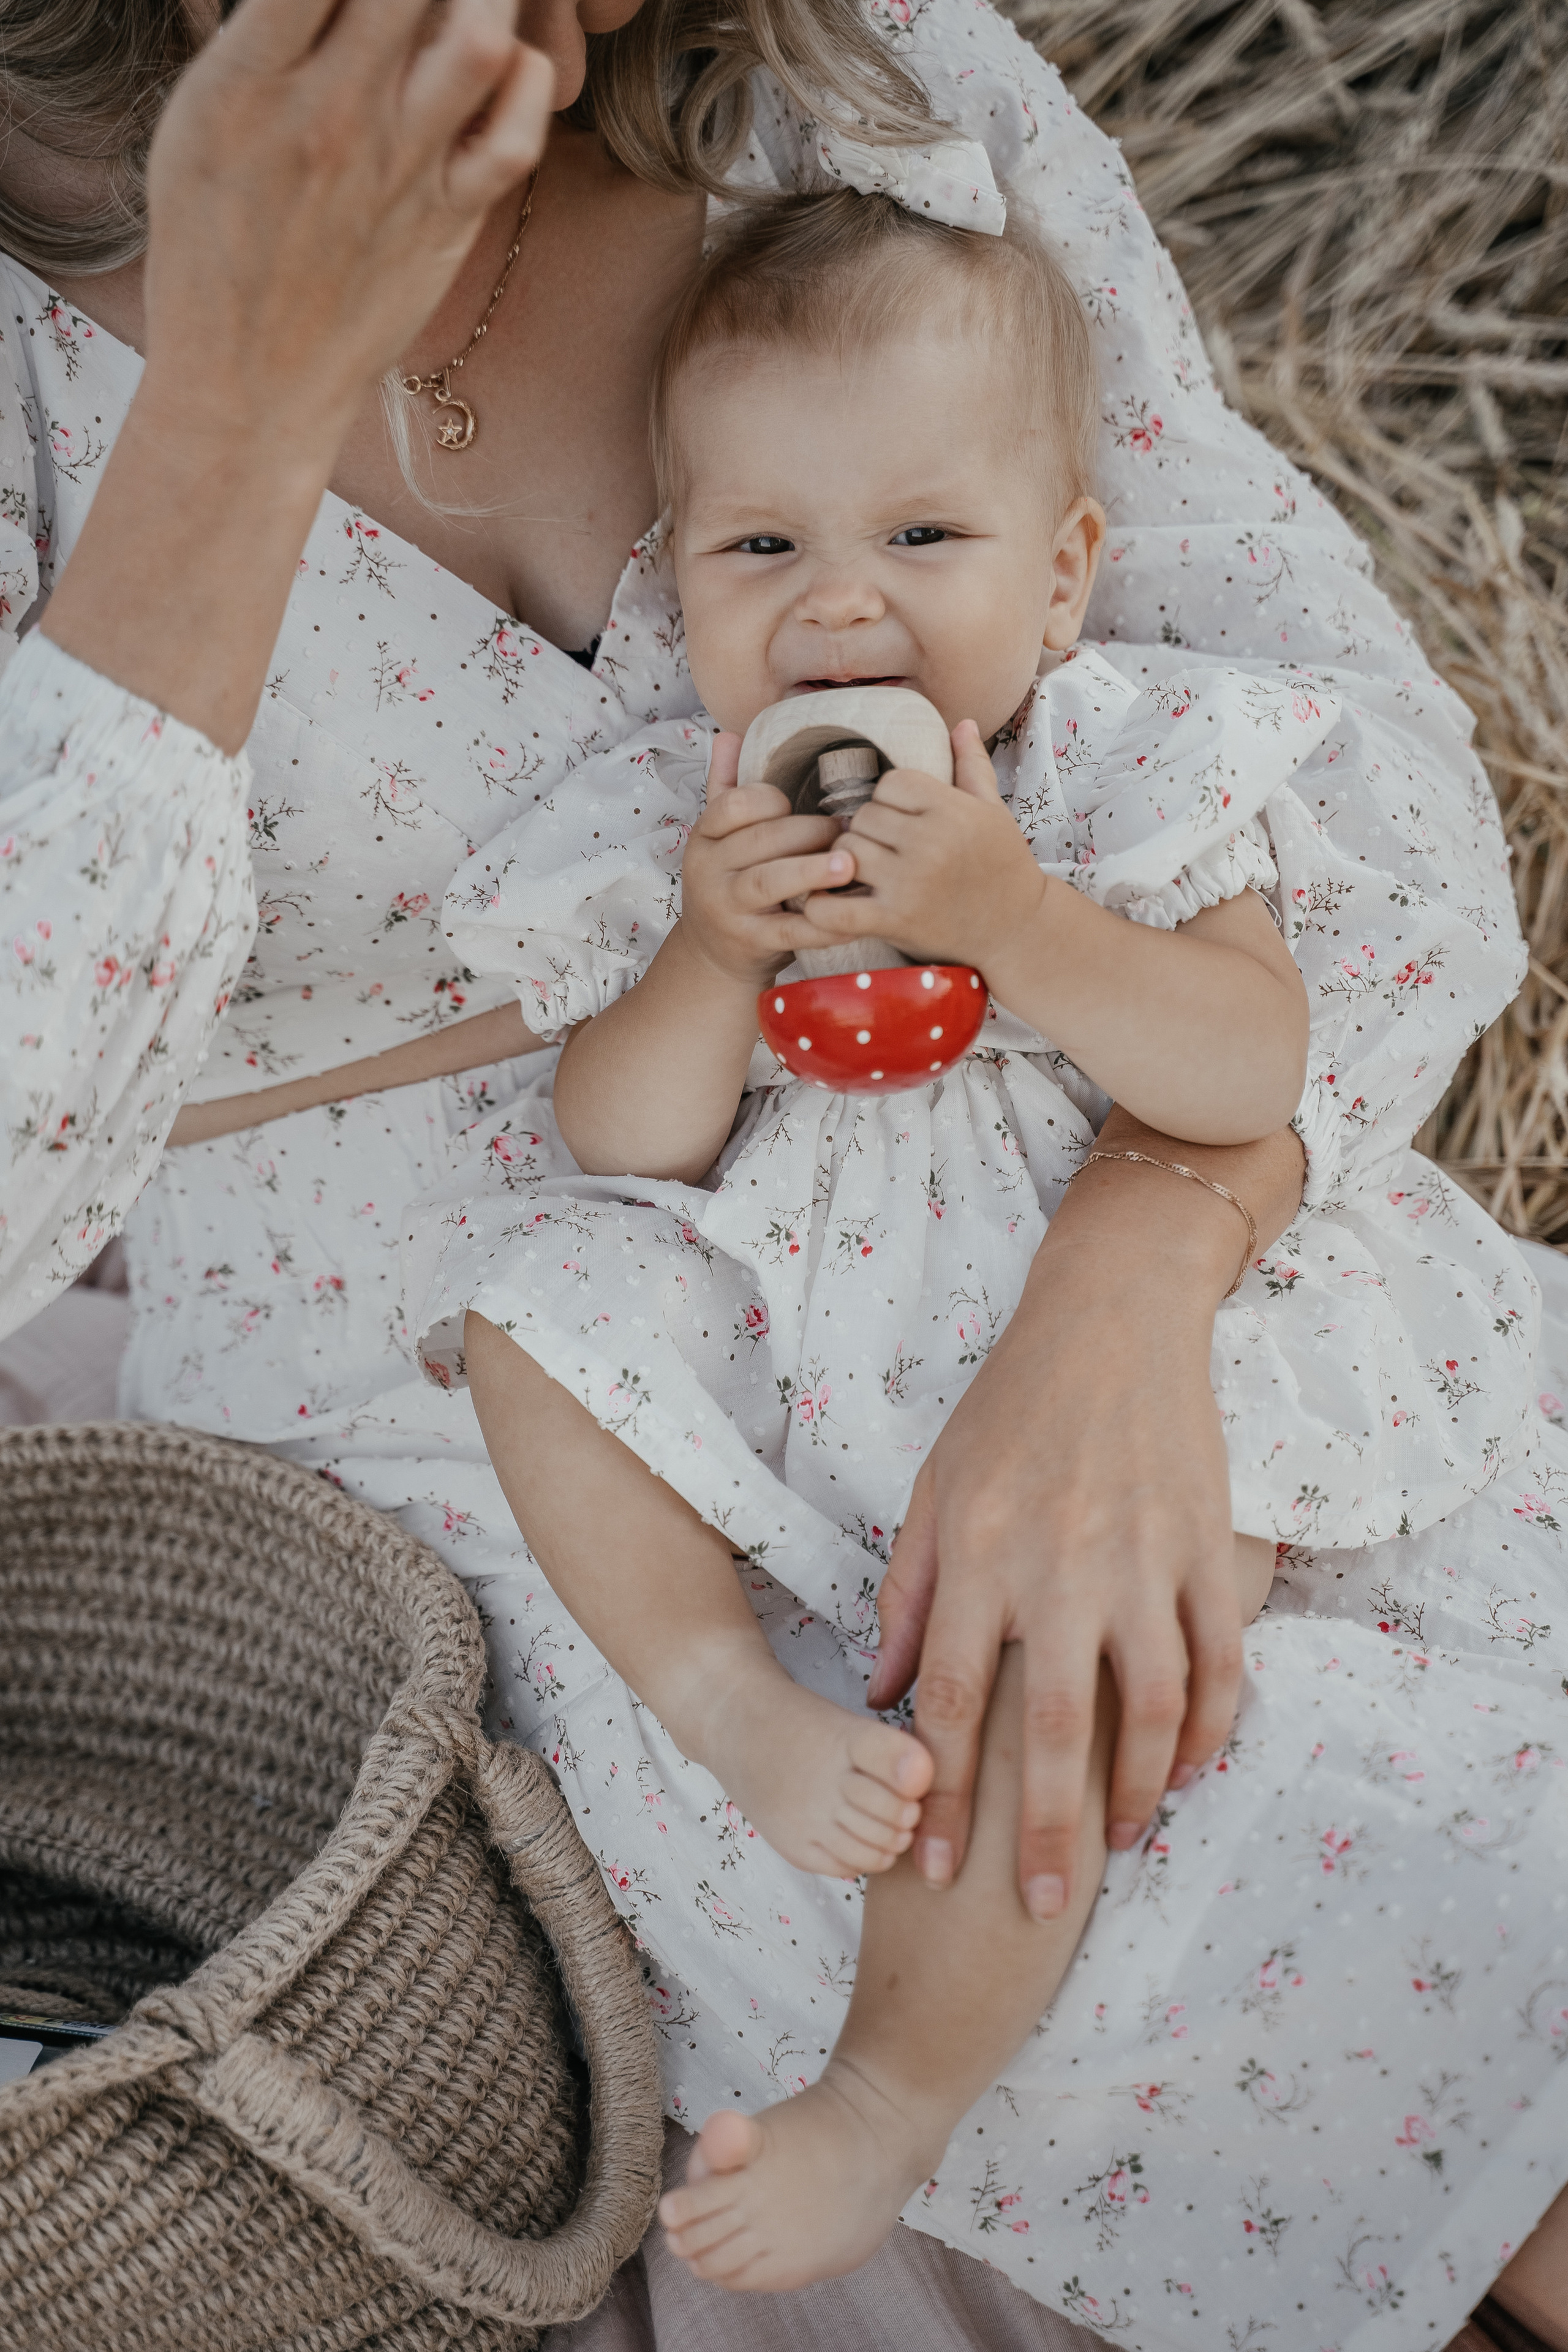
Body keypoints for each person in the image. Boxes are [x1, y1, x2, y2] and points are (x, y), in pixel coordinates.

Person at [0, 3, 1564, 2345]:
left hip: (1097, 1153)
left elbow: (1370, 814)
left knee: (1437, 1651)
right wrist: (231, 395)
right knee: (1134, 1818)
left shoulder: (852, 95)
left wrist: (1137, 1284)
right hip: (542, 1362)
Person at [423, 184, 1310, 2285]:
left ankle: (888, 2097)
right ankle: (723, 1689)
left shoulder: (1123, 764)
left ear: (1066, 572)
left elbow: (1250, 1068)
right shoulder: (685, 817)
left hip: (1100, 1336)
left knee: (1040, 1673)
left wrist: (1019, 916)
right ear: (681, 591)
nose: (839, 605)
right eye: (763, 549)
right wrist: (709, 955)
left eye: (920, 539)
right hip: (818, 1303)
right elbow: (621, 1143)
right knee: (533, 1321)